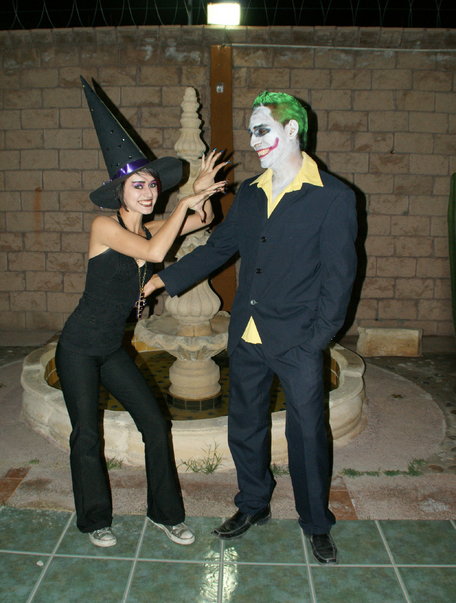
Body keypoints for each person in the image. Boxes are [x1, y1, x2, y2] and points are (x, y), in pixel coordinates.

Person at [144, 91, 357, 565]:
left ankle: (316, 522)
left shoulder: (334, 196)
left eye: (263, 129)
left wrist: (317, 339)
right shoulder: (252, 193)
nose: (254, 140)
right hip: (247, 333)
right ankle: (253, 503)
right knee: (245, 425)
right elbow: (218, 249)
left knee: (308, 434)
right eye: (251, 131)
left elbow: (339, 278)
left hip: (299, 340)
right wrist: (160, 280)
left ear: (291, 129)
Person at [56, 76, 226, 548]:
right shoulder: (104, 228)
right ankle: (95, 520)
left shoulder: (152, 227)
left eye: (152, 184)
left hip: (111, 348)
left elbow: (204, 219)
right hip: (78, 347)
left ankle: (165, 515)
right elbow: (154, 252)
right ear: (120, 191)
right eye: (138, 185)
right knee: (86, 435)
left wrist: (202, 192)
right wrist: (185, 202)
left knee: (155, 423)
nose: (149, 191)